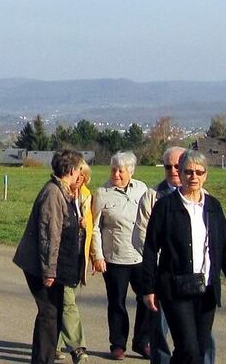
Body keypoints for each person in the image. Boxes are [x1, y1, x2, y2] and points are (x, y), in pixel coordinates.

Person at [141, 150, 226, 364]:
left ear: (206, 175)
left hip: (206, 289)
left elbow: (225, 247)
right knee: (189, 349)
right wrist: (148, 288)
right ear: (180, 174)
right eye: (188, 172)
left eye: (199, 172)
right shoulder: (165, 207)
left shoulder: (213, 207)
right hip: (175, 289)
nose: (194, 177)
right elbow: (151, 249)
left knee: (197, 349)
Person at [133, 147, 217, 364]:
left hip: (199, 282)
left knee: (193, 345)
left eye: (199, 172)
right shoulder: (155, 198)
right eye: (169, 167)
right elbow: (145, 241)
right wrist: (152, 282)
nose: (173, 171)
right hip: (167, 280)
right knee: (166, 336)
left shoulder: (208, 202)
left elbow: (219, 244)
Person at [13, 149, 85, 364]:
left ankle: (43, 358)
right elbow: (49, 235)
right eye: (79, 169)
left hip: (52, 264)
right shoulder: (53, 193)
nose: (80, 174)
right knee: (49, 314)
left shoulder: (63, 191)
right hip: (41, 265)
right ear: (71, 170)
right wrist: (49, 272)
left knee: (51, 313)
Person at [91, 151, 151, 360]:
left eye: (121, 170)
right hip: (114, 258)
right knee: (117, 302)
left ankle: (142, 341)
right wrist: (97, 256)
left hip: (140, 256)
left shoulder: (142, 189)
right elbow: (95, 228)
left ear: (131, 171)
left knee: (147, 299)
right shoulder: (102, 193)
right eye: (113, 169)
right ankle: (118, 344)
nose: (116, 174)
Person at [56, 161, 93, 363]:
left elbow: (92, 229)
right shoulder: (59, 195)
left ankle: (52, 344)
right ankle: (78, 348)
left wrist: (96, 256)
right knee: (67, 303)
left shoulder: (86, 197)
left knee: (60, 303)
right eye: (77, 174)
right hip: (61, 258)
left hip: (77, 257)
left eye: (82, 176)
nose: (78, 179)